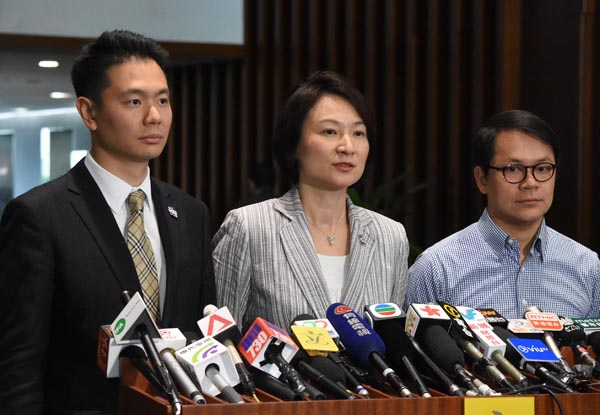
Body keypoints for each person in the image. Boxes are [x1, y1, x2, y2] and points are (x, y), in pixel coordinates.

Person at [0, 30, 215, 414]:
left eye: (162, 100)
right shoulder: (39, 216)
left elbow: (201, 334)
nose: (154, 116)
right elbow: (19, 364)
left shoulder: (190, 213)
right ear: (89, 112)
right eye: (134, 101)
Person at [212, 70, 409, 331]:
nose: (347, 146)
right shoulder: (250, 227)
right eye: (330, 131)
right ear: (294, 144)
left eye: (359, 133)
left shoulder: (390, 236)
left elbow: (393, 339)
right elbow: (222, 340)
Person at [404, 110, 600, 319]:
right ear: (482, 179)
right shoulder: (437, 267)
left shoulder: (587, 266)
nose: (530, 183)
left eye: (542, 169)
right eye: (513, 169)